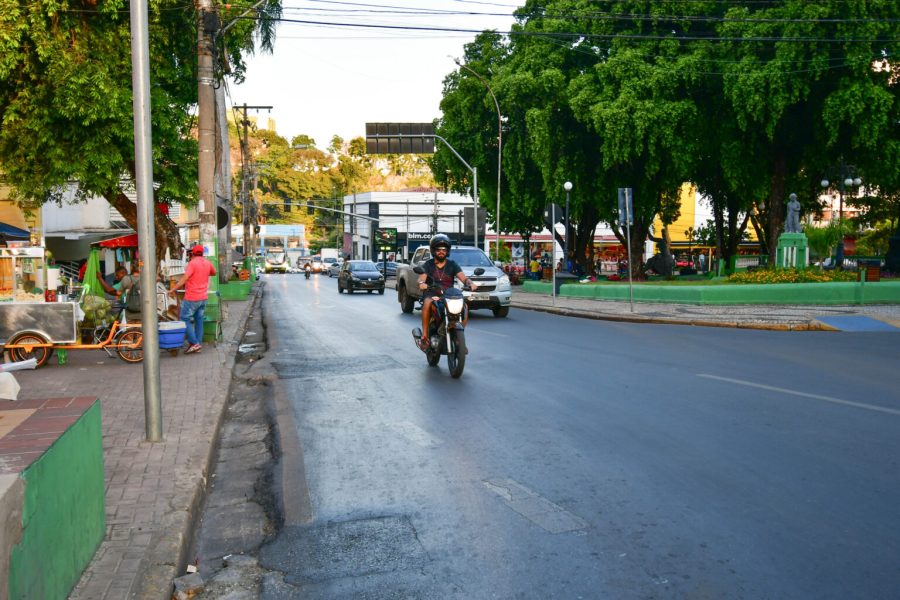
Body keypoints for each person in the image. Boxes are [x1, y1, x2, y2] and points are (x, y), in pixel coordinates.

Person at [417, 234, 477, 350]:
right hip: (431, 293)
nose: (441, 252)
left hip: (448, 294)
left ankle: (460, 338)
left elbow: (463, 278)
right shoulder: (428, 264)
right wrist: (421, 284)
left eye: (444, 250)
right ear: (433, 250)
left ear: (447, 251)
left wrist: (470, 283)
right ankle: (424, 336)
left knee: (464, 306)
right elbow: (421, 278)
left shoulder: (452, 264)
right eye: (438, 249)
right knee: (427, 303)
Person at [169, 245, 216, 354]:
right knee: (199, 320)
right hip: (203, 297)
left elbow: (184, 279)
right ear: (203, 253)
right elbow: (213, 273)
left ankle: (195, 343)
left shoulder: (192, 263)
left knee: (184, 318)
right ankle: (197, 344)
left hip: (192, 297)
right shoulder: (207, 262)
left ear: (192, 253)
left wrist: (173, 289)